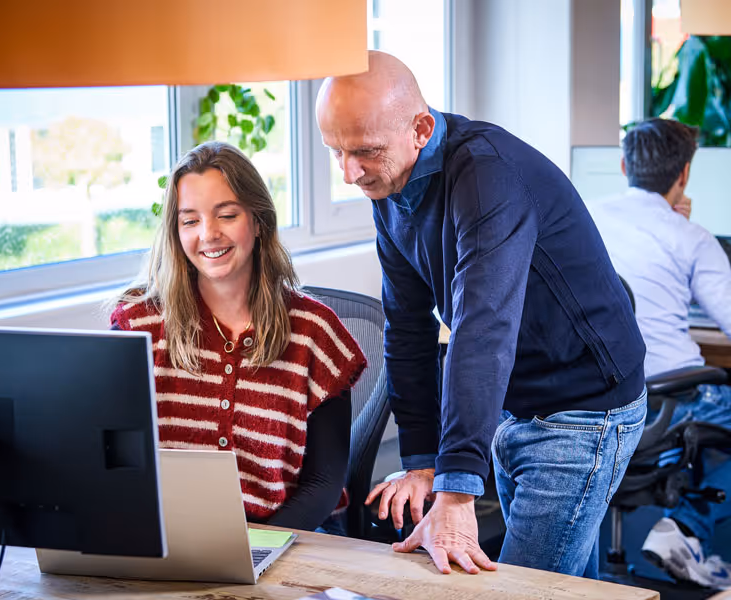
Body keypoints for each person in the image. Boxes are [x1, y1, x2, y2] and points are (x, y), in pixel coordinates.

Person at [315, 51, 647, 578]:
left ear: (421, 129)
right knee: (569, 585)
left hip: (582, 409)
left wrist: (456, 488)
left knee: (524, 589)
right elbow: (407, 326)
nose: (350, 173)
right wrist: (423, 457)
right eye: (336, 152)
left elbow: (481, 328)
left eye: (364, 152)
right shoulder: (389, 182)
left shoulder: (488, 176)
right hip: (515, 406)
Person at [110, 141, 366, 532]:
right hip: (166, 539)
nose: (208, 234)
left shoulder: (316, 334)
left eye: (226, 215)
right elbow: (115, 460)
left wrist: (257, 549)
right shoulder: (139, 325)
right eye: (190, 221)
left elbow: (322, 484)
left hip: (284, 540)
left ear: (258, 221)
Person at [588, 118, 731, 589]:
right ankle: (687, 529)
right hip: (666, 400)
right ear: (684, 175)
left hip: (589, 400)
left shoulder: (581, 220)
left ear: (625, 165)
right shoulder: (690, 238)